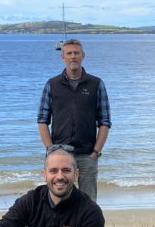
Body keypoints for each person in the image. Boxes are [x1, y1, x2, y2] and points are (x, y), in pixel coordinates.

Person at [37, 38, 111, 201]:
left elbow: (104, 122)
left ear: (83, 55)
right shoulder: (52, 84)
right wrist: (50, 149)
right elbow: (42, 120)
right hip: (59, 154)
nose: (73, 57)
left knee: (89, 202)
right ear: (62, 57)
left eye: (76, 53)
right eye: (69, 53)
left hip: (87, 154)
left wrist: (95, 152)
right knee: (57, 199)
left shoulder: (96, 84)